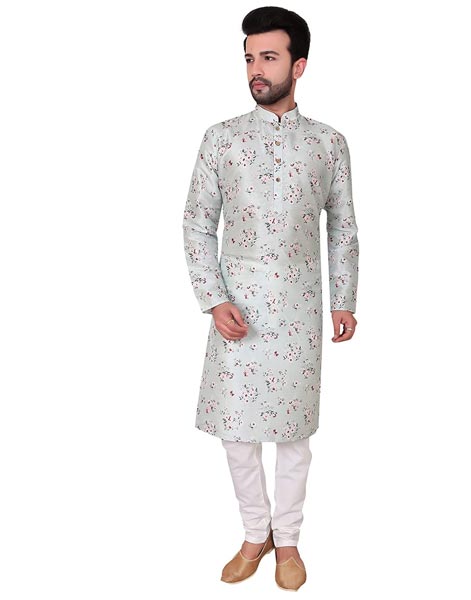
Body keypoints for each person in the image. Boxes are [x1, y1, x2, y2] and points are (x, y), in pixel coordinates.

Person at [182, 6, 358, 591]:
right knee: (237, 433)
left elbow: (343, 227)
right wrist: (214, 299)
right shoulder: (221, 139)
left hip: (299, 306)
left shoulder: (328, 143)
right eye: (250, 58)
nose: (256, 69)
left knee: (293, 436)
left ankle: (289, 542)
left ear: (298, 66)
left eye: (269, 57)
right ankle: (254, 533)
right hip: (237, 306)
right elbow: (197, 223)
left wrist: (344, 299)